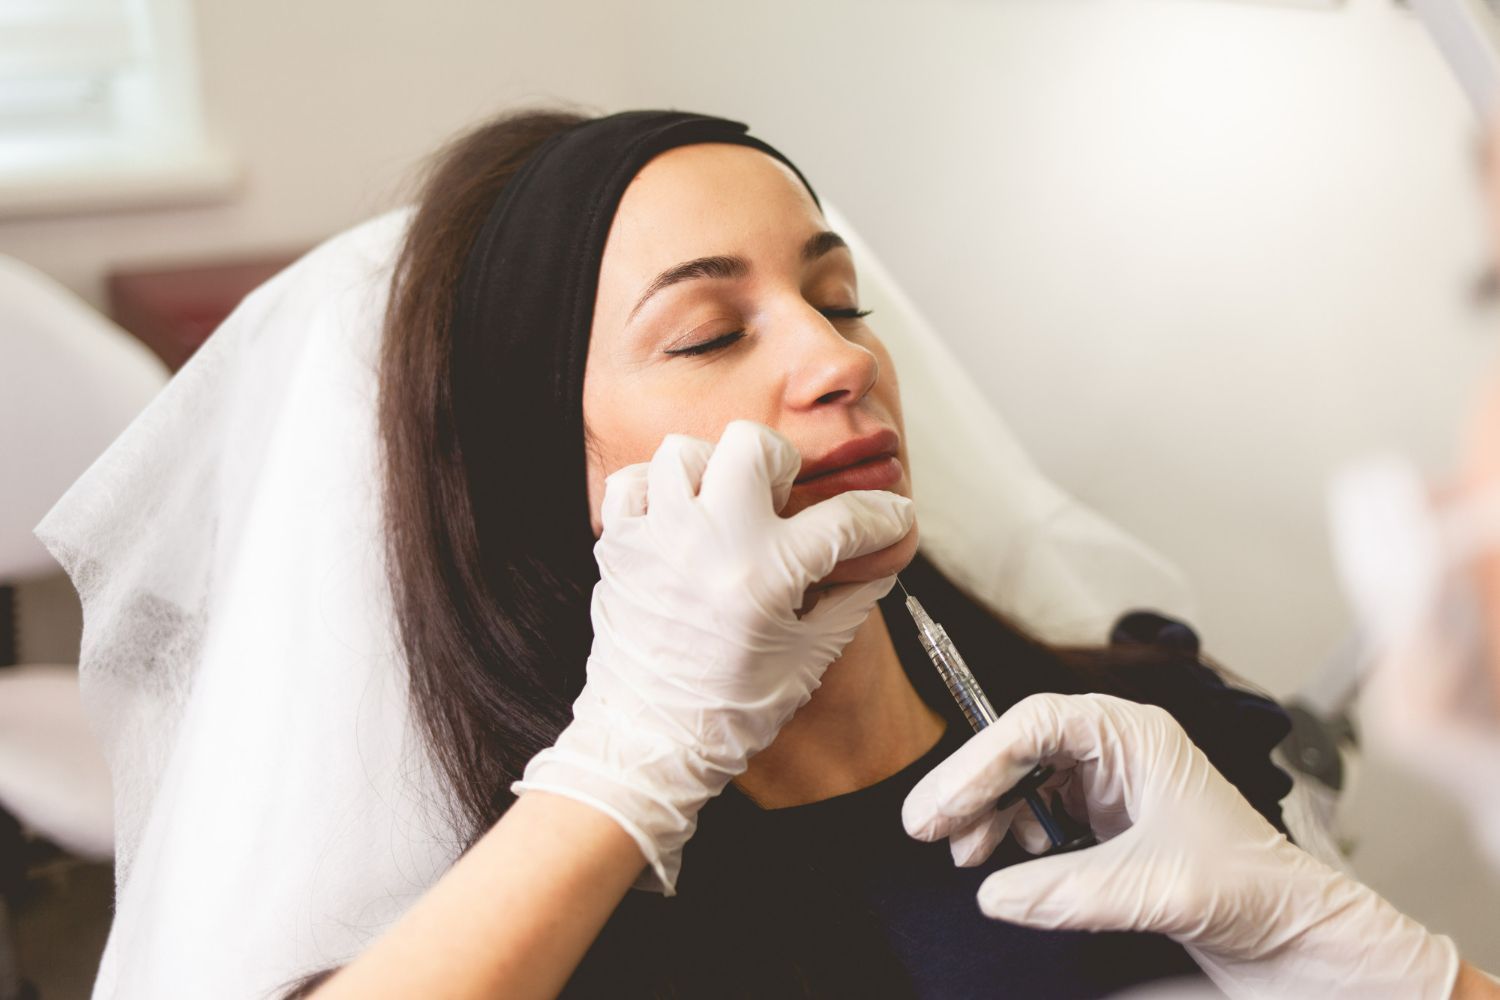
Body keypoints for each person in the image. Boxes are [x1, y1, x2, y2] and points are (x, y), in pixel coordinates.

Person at [286, 108, 1295, 999]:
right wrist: (623, 772)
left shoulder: (1154, 760)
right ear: (550, 469)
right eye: (709, 334)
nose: (840, 358)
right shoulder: (547, 943)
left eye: (839, 298)